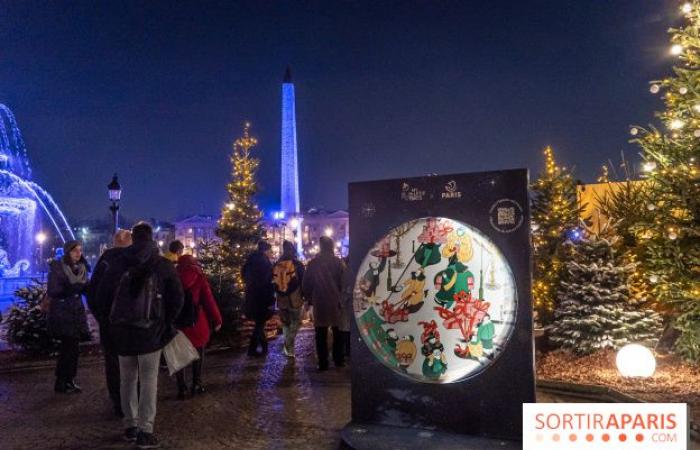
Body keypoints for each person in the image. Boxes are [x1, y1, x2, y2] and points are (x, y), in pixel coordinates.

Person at [108, 222, 184, 448]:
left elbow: (101, 296)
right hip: (150, 331)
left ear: (133, 238)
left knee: (127, 379)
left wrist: (110, 323)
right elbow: (178, 298)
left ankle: (129, 425)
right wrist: (165, 321)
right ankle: (145, 430)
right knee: (149, 380)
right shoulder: (162, 265)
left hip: (122, 331)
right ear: (152, 239)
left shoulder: (117, 263)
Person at [87, 229, 132, 416]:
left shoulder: (105, 261)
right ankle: (133, 403)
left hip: (109, 324)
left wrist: (102, 318)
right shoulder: (136, 261)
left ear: (115, 242)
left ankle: (118, 403)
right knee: (133, 363)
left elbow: (91, 293)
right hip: (133, 324)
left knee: (113, 364)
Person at [174, 252, 222, 399]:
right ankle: (196, 383)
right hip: (196, 321)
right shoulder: (199, 276)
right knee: (198, 352)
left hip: (178, 321)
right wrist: (217, 319)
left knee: (179, 355)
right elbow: (208, 300)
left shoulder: (173, 276)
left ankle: (181, 388)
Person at [47, 240, 90, 394]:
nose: (78, 253)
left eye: (80, 250)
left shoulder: (82, 269)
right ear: (67, 252)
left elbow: (87, 288)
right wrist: (71, 289)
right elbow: (52, 290)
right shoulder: (58, 268)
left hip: (76, 313)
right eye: (74, 251)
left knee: (72, 348)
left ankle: (68, 380)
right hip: (63, 312)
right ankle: (62, 381)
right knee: (67, 347)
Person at [303, 236, 346, 371]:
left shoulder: (313, 263)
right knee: (338, 332)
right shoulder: (339, 263)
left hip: (319, 301)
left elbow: (306, 284)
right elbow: (344, 282)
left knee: (320, 333)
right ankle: (338, 359)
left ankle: (323, 362)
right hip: (336, 301)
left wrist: (309, 298)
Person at [242, 241, 275, 357]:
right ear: (266, 250)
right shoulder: (265, 263)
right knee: (260, 323)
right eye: (270, 251)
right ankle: (252, 349)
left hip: (251, 295)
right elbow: (268, 282)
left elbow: (243, 275)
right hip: (261, 296)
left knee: (259, 322)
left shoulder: (250, 259)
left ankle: (265, 347)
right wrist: (271, 298)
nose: (271, 254)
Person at [272, 240, 305, 358]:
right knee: (296, 321)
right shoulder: (297, 264)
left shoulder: (277, 264)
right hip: (294, 299)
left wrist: (280, 291)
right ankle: (288, 345)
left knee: (286, 324)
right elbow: (303, 281)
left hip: (281, 299)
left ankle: (290, 350)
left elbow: (273, 283)